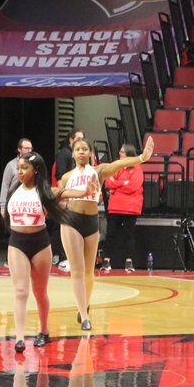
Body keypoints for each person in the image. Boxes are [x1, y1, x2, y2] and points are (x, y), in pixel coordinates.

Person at [57, 136, 155, 333]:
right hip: (71, 221)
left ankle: (85, 304)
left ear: (91, 154)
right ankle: (84, 317)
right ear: (74, 154)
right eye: (78, 149)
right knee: (77, 270)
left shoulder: (98, 171)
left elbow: (119, 163)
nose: (82, 152)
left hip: (90, 222)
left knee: (88, 272)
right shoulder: (67, 177)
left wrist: (141, 158)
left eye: (85, 149)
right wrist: (64, 202)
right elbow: (59, 197)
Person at [6, 151, 69, 354]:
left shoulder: (44, 191)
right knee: (20, 291)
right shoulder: (14, 190)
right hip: (17, 242)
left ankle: (44, 331)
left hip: (40, 243)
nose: (20, 172)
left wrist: (86, 190)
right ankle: (20, 338)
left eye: (25, 168)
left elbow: (66, 193)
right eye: (19, 168)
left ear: (36, 170)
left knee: (40, 292)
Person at [103, 143, 145, 271]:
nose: (119, 154)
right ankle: (106, 261)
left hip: (130, 208)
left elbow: (133, 186)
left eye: (122, 152)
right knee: (110, 234)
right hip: (115, 207)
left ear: (129, 154)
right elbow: (108, 182)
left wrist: (117, 187)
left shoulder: (137, 168)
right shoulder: (117, 167)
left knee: (129, 235)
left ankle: (129, 262)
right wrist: (122, 183)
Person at [0, 138, 35, 220]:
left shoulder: (34, 165)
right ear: (19, 149)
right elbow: (5, 186)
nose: (29, 150)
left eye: (31, 148)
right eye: (26, 148)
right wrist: (3, 206)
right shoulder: (11, 165)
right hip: (14, 202)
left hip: (30, 203)